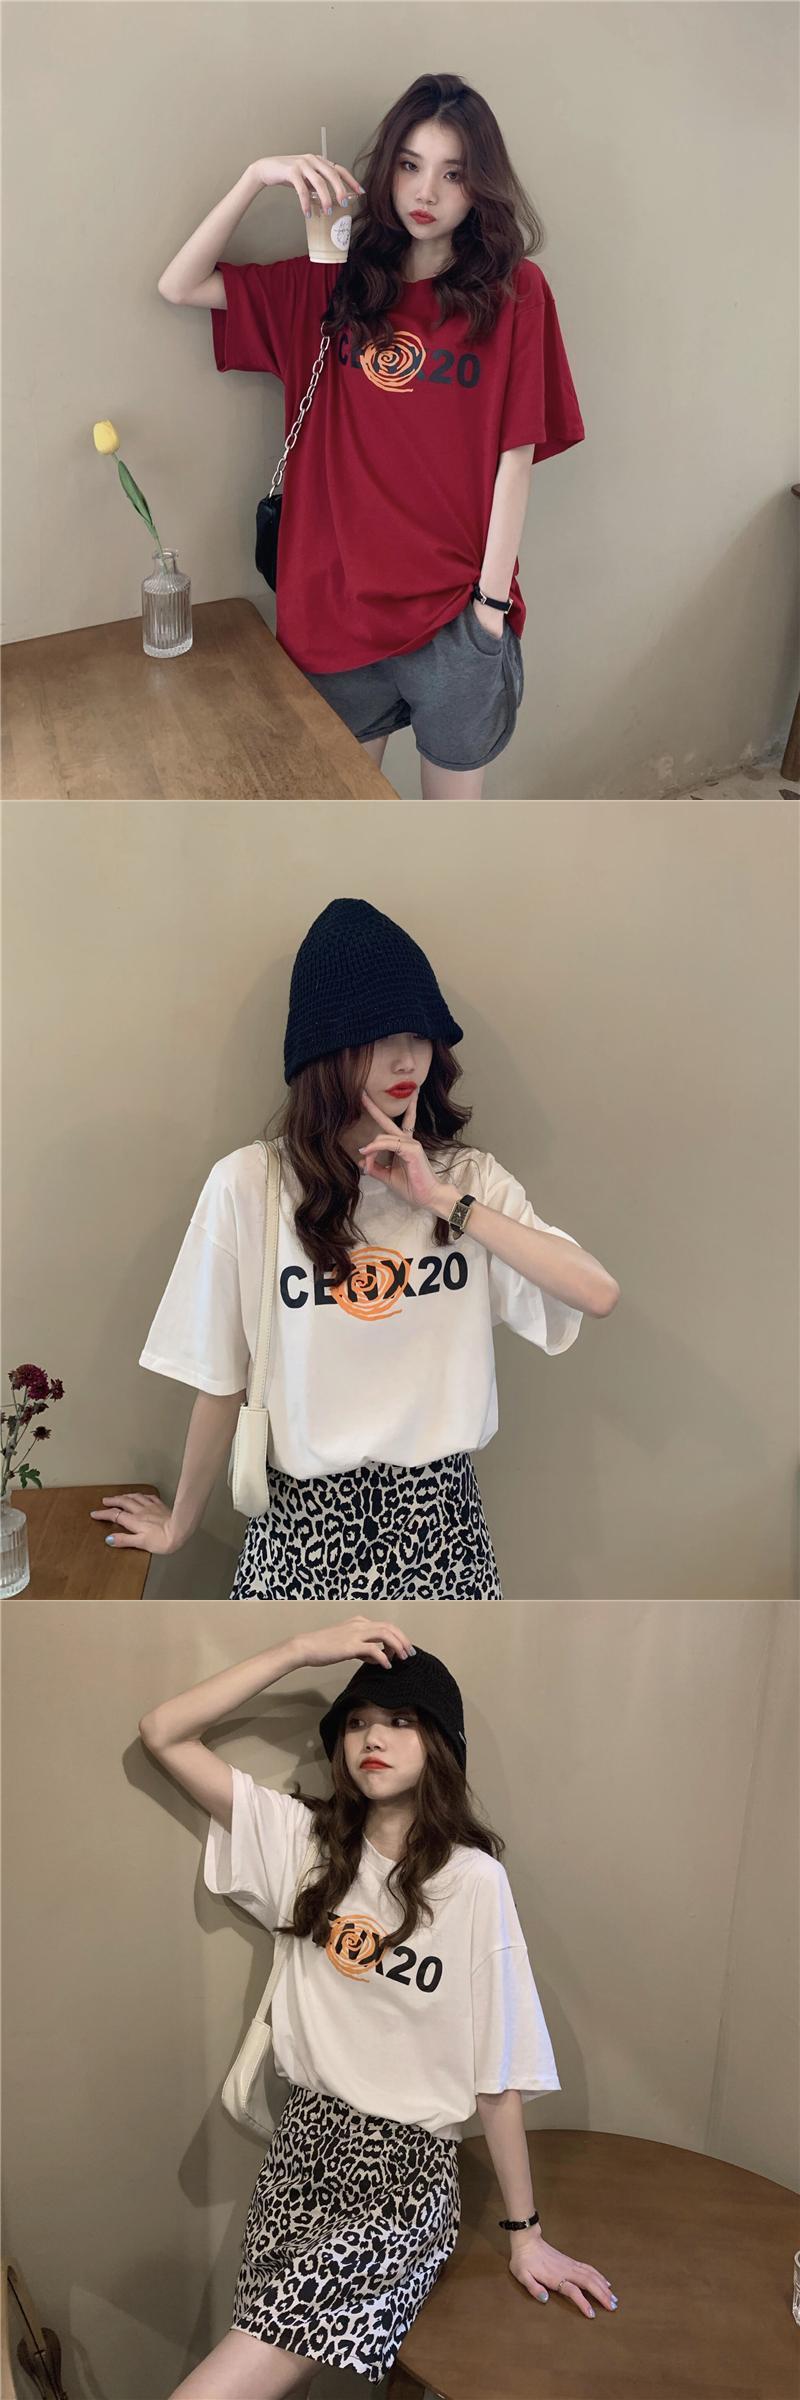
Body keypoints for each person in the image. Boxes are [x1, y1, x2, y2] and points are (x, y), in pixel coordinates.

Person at [138, 1614, 619, 2395]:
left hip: (401, 2181)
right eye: (358, 1721)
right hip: (301, 2153)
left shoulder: (472, 1884)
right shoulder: (302, 1843)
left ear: (440, 1744)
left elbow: (495, 2068)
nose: (373, 1737)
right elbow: (163, 1732)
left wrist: (525, 2235)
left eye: (400, 1721)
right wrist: (302, 1651)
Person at [93, 900, 619, 1600]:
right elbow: (221, 1379)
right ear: (325, 1052)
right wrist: (179, 1526)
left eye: (420, 1034)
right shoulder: (250, 1185)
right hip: (298, 1538)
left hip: (446, 1536)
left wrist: (441, 1201)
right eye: (377, 1037)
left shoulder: (468, 1179)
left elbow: (596, 1293)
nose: (406, 1060)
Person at [156, 72, 585, 800]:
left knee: (450, 834)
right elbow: (180, 285)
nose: (427, 192)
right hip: (334, 610)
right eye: (411, 165)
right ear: (387, 169)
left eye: (453, 174)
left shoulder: (514, 294)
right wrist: (256, 177)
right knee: (341, 822)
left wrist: (488, 609)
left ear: (480, 187)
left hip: (455, 615)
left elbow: (517, 458)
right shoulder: (332, 284)